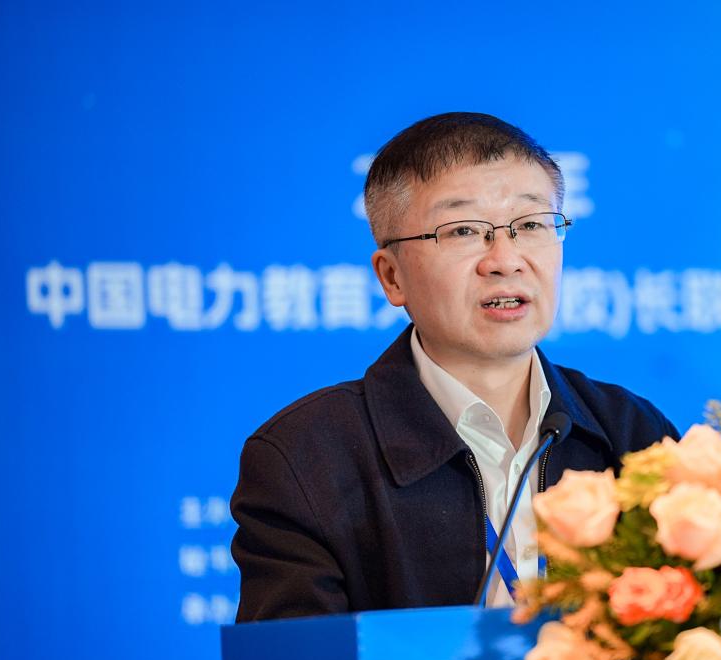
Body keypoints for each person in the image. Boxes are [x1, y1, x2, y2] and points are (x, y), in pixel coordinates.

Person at [230, 112, 680, 620]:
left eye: (531, 225)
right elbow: (300, 659)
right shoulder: (307, 458)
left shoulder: (632, 434)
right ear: (392, 277)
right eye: (463, 230)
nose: (505, 260)